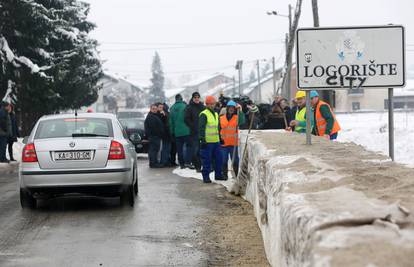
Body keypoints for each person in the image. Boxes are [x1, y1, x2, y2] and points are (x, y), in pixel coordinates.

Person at [199, 95, 223, 183]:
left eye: (213, 104)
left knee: (219, 159)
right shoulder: (204, 114)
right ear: (207, 104)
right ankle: (206, 176)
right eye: (211, 104)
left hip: (216, 141)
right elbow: (201, 128)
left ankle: (218, 175)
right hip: (207, 142)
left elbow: (217, 128)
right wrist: (202, 139)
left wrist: (220, 138)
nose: (212, 105)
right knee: (207, 160)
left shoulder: (216, 114)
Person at [219, 100, 245, 180]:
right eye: (230, 108)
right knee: (224, 160)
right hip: (223, 143)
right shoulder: (221, 118)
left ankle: (236, 175)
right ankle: (224, 175)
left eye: (233, 108)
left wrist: (240, 111)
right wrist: (220, 138)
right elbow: (218, 129)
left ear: (234, 109)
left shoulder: (237, 117)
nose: (231, 109)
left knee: (235, 160)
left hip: (233, 144)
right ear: (227, 108)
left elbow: (242, 121)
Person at [169, 94, 192, 169]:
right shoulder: (185, 106)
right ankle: (188, 162)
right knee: (189, 147)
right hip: (187, 131)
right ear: (181, 99)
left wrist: (172, 132)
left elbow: (170, 122)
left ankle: (181, 164)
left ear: (175, 99)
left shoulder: (172, 108)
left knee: (179, 149)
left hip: (177, 132)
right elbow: (189, 118)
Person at [184, 92, 205, 172]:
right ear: (192, 98)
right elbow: (186, 119)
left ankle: (204, 165)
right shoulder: (189, 107)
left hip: (203, 132)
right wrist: (192, 126)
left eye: (198, 97)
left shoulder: (202, 107)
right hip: (194, 133)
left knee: (203, 150)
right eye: (195, 97)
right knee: (195, 151)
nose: (197, 99)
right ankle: (198, 167)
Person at [144, 104, 165, 168]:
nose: (155, 110)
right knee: (153, 150)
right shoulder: (151, 116)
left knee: (155, 150)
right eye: (153, 109)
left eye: (156, 109)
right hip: (154, 136)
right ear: (150, 109)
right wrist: (158, 134)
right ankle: (153, 163)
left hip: (155, 136)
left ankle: (154, 162)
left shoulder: (154, 115)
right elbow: (153, 128)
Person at [157, 103, 172, 167]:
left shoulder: (164, 114)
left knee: (166, 148)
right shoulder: (163, 114)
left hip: (165, 134)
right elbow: (166, 124)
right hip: (166, 134)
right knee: (166, 148)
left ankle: (166, 161)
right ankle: (164, 162)